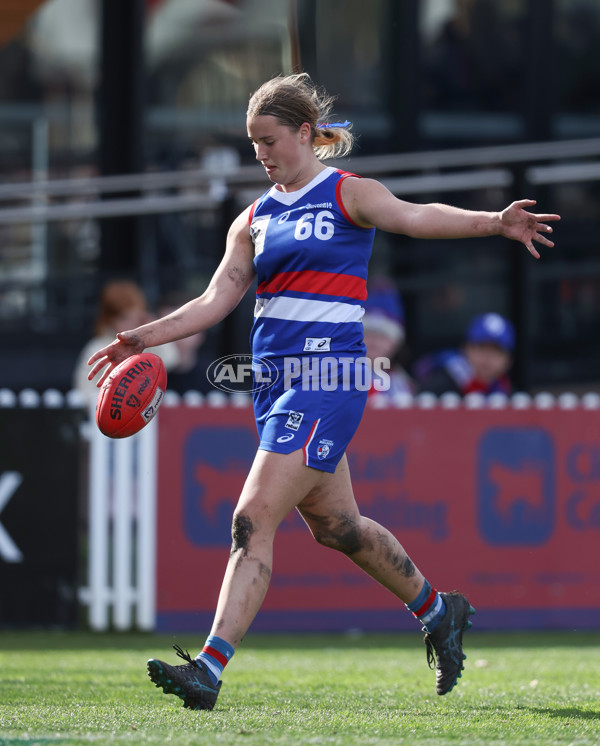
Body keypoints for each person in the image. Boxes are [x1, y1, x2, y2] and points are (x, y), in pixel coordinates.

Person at [87, 73, 560, 710]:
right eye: (253, 143)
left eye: (269, 140)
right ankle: (438, 609)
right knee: (338, 528)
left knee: (251, 519)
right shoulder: (251, 219)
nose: (261, 154)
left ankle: (210, 667)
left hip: (327, 382)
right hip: (275, 389)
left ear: (305, 133)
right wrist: (141, 338)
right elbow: (215, 299)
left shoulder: (346, 193)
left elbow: (417, 217)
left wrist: (493, 221)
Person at [72, 279, 180, 409]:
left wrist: (153, 328)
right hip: (111, 416)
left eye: (136, 317)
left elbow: (172, 359)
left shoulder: (145, 343)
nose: (131, 323)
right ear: (110, 319)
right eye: (124, 318)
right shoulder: (97, 347)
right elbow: (84, 389)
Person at [414, 312, 515, 397]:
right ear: (465, 350)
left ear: (509, 361)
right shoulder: (441, 382)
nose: (487, 357)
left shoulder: (508, 392)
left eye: (497, 352)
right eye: (481, 348)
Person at [362, 278, 414, 399]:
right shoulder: (337, 375)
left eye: (383, 336)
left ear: (396, 343)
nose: (375, 341)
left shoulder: (402, 382)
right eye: (368, 333)